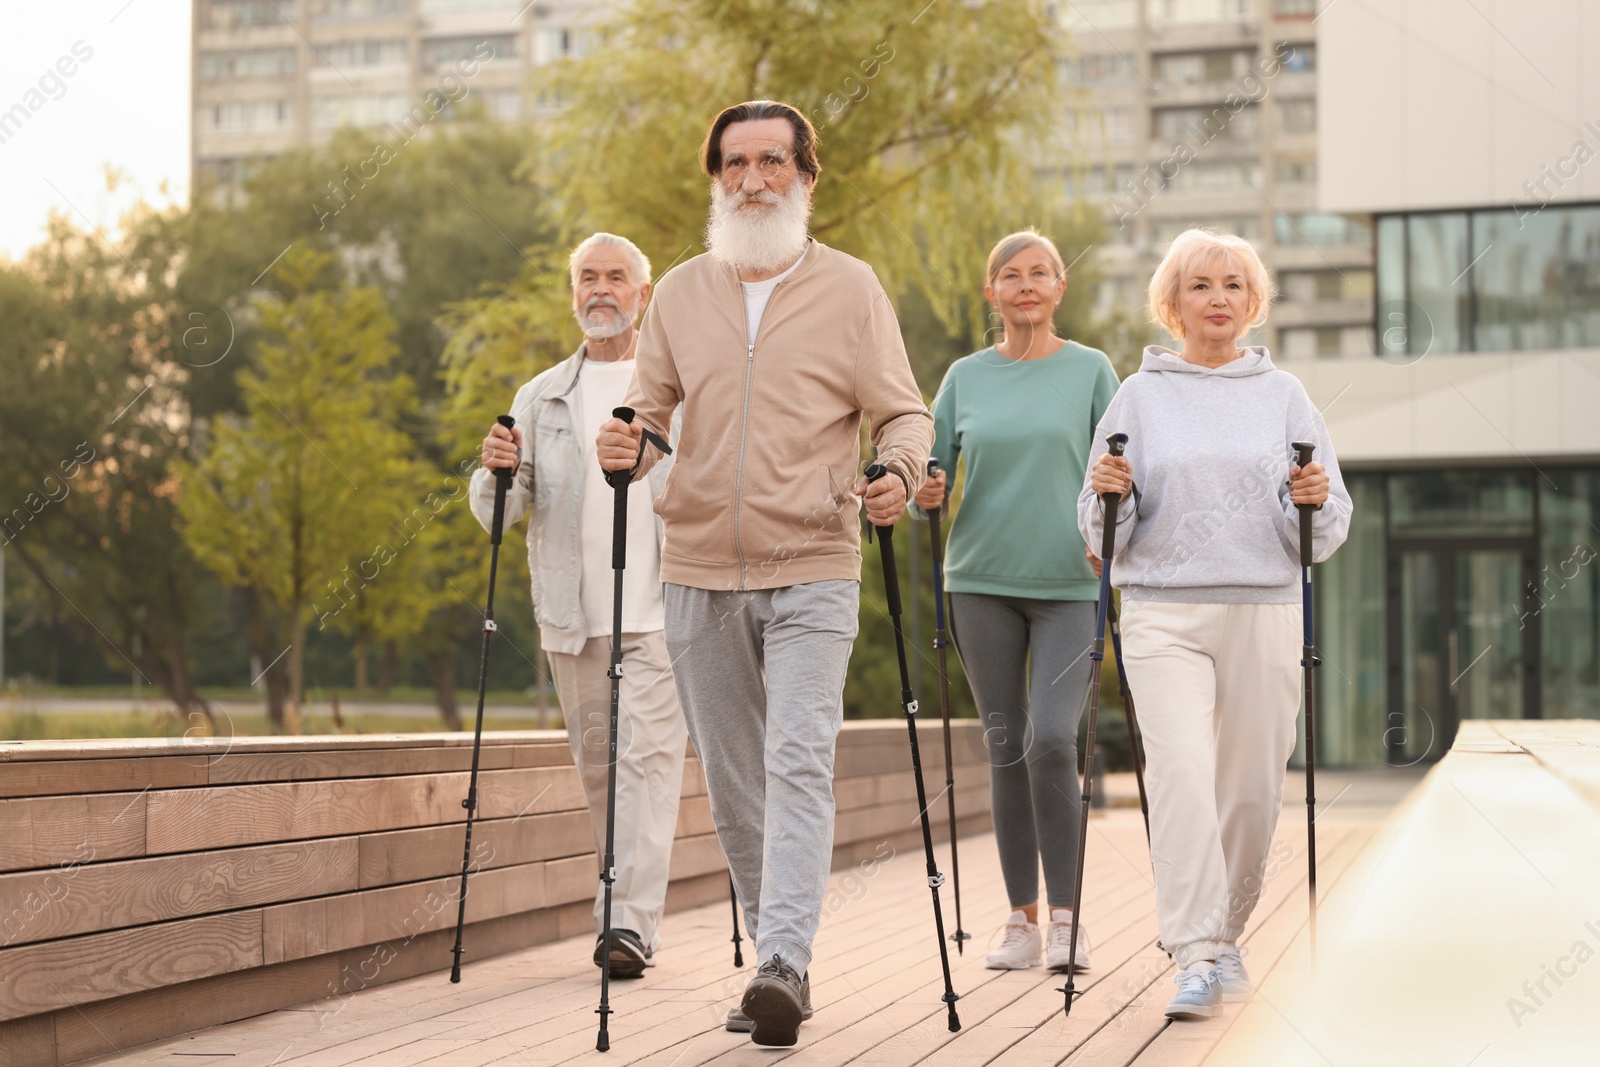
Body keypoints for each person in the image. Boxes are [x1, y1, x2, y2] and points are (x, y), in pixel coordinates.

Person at [596, 99, 932, 1048]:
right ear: (716, 177)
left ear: (805, 175)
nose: (752, 179)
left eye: (772, 161)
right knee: (737, 776)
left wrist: (896, 474)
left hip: (812, 565)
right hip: (697, 567)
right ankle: (770, 954)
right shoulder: (684, 294)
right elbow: (648, 408)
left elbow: (903, 415)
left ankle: (786, 959)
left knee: (797, 759)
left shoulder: (852, 288)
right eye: (735, 163)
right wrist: (626, 444)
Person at [1078, 228, 1352, 1020]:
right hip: (1163, 610)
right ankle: (1194, 952)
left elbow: (1329, 522)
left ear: (1252, 300)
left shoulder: (1285, 395)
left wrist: (1301, 500)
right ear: (1173, 303)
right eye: (1200, 284)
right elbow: (1096, 532)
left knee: (1253, 789)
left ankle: (1227, 931)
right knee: (1181, 778)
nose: (1219, 298)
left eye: (1234, 283)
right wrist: (1111, 496)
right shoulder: (1139, 396)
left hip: (1263, 605)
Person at [473, 232, 685, 982]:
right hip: (574, 616)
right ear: (573, 295)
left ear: (643, 294)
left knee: (650, 764)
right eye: (588, 277)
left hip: (664, 611)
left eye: (616, 277)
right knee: (602, 770)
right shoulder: (541, 396)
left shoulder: (679, 388)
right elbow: (500, 512)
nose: (601, 289)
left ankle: (625, 923)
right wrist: (495, 472)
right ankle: (618, 907)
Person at [911, 229, 1120, 974]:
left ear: (1059, 288)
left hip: (1070, 582)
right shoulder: (965, 377)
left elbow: (1126, 459)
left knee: (1054, 740)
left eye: (1040, 273)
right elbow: (925, 472)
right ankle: (1021, 921)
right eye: (1011, 274)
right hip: (979, 582)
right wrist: (922, 489)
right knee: (1005, 745)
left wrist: (1122, 499)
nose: (1026, 284)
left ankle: (1068, 917)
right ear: (990, 292)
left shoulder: (1093, 369)